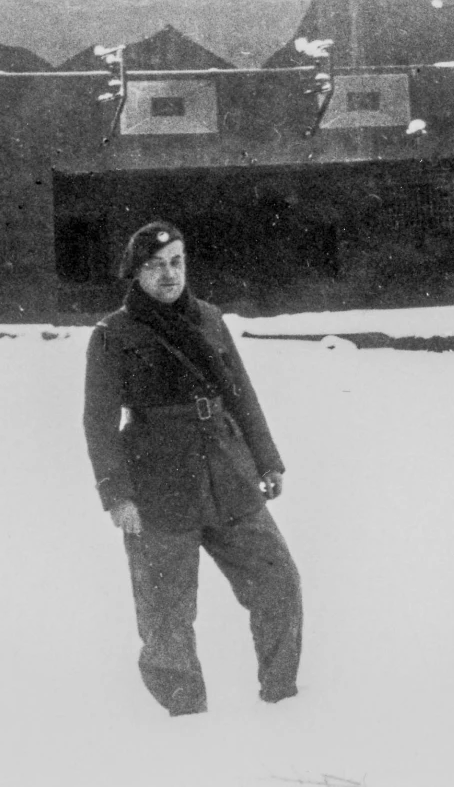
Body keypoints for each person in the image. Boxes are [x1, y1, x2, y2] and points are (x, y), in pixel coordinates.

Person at [82, 221, 303, 716]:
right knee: (166, 613)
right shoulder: (112, 335)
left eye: (177, 262)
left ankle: (283, 698)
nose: (169, 274)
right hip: (158, 484)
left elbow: (241, 394)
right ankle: (184, 716)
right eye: (156, 266)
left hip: (227, 474)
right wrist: (117, 496)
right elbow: (98, 423)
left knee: (278, 580)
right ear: (136, 273)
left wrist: (266, 459)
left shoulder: (208, 319)